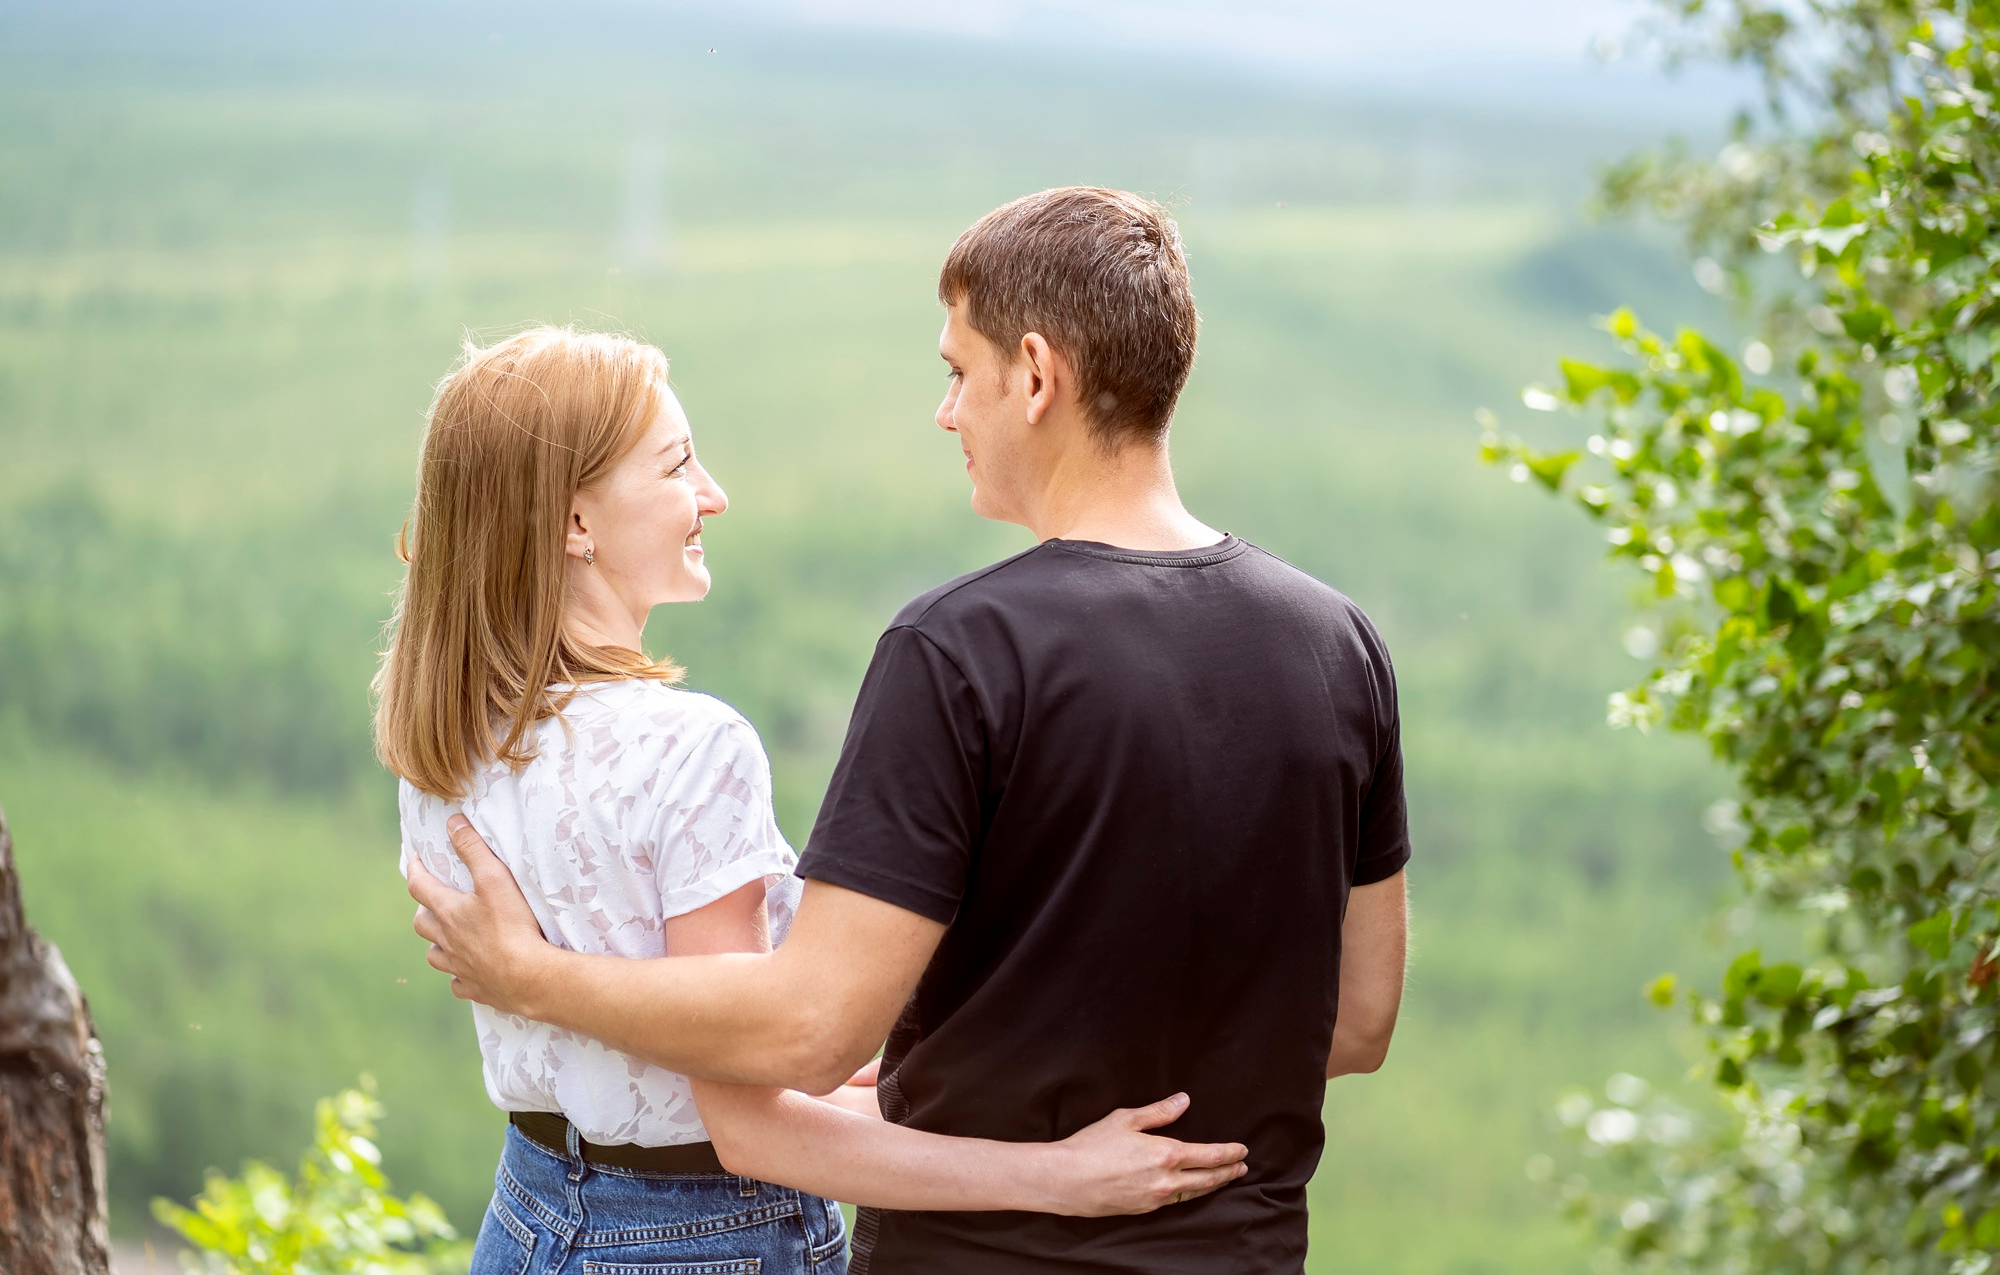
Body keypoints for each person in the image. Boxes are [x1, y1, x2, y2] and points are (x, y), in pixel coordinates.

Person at [410, 187, 1411, 1274]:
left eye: (956, 371)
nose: (946, 410)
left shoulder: (960, 650)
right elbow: (1354, 1023)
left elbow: (809, 1029)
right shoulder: (1339, 644)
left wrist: (526, 976)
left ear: (1033, 377)